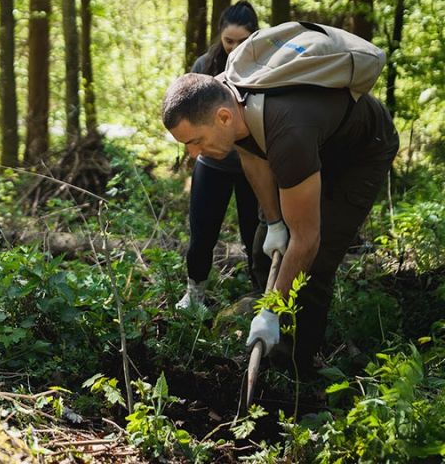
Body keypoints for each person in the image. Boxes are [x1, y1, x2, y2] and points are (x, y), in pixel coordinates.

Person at [161, 64, 398, 371]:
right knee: (264, 249)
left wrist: (273, 310)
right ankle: (269, 337)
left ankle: (293, 370)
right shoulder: (225, 97)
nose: (193, 154)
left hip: (357, 154)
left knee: (311, 266)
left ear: (223, 117)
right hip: (312, 141)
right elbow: (250, 154)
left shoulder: (288, 133)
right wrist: (274, 222)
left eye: (195, 140)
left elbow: (307, 239)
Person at [178, 1, 260, 309]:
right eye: (229, 41)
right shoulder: (205, 66)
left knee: (255, 234)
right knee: (202, 232)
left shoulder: (266, 67)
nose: (235, 48)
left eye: (243, 41)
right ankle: (195, 293)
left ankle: (261, 292)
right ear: (220, 37)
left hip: (254, 166)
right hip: (212, 164)